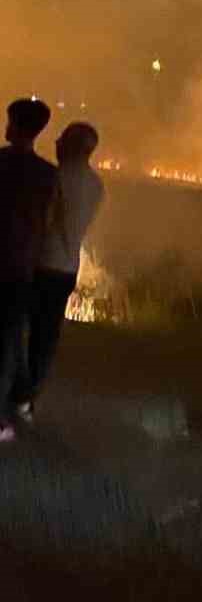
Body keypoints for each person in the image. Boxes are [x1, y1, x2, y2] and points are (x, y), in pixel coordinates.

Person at [10, 121, 104, 423]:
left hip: (40, 263)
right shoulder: (96, 185)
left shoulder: (55, 178)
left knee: (16, 327)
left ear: (72, 146)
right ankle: (28, 397)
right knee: (46, 335)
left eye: (61, 139)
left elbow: (42, 220)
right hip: (66, 268)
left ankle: (18, 391)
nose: (56, 142)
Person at [0, 98, 59, 444]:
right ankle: (15, 403)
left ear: (13, 125)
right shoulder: (48, 176)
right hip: (21, 268)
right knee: (8, 340)